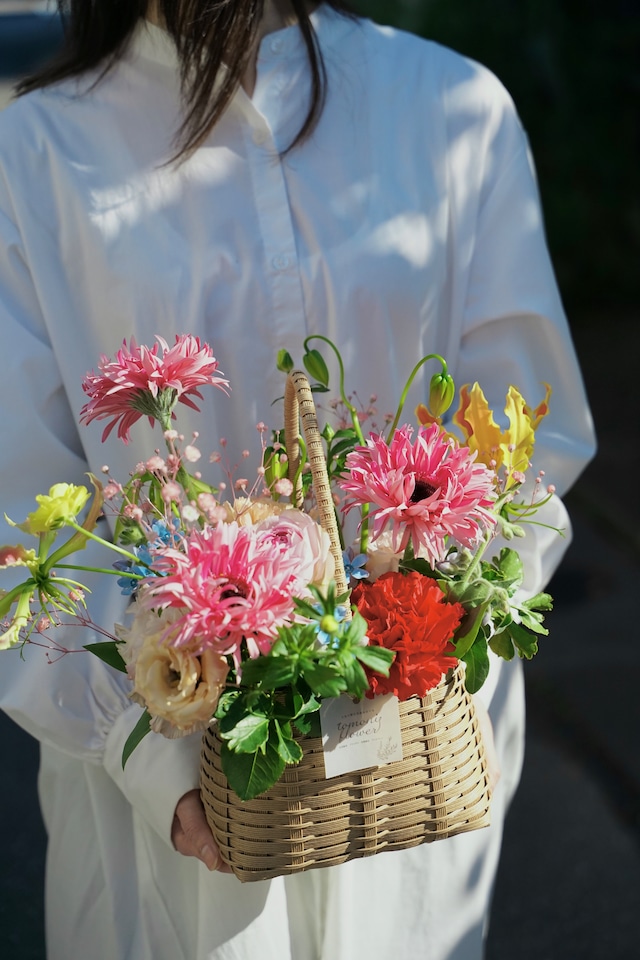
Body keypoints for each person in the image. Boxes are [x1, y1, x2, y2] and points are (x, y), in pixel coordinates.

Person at [0, 2, 595, 958]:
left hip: (411, 785)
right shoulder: (33, 152)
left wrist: (428, 637)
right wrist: (155, 746)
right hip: (172, 832)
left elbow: (531, 441)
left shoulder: (451, 110)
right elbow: (18, 515)